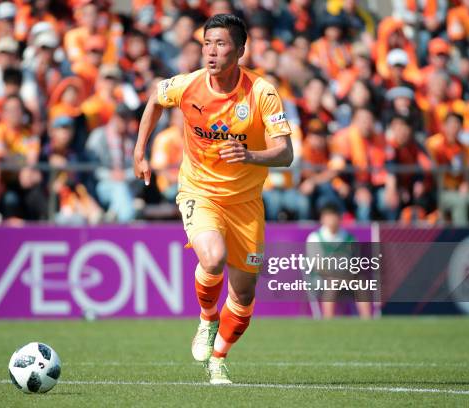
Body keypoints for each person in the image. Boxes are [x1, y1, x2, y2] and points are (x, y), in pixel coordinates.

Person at [134, 14, 293, 384]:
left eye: (221, 44)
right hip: (199, 191)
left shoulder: (262, 93)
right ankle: (207, 318)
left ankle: (218, 359)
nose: (211, 51)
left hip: (246, 202)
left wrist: (250, 155)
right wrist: (139, 152)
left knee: (244, 295)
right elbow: (156, 98)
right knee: (213, 256)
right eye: (207, 43)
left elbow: (285, 152)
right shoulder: (188, 85)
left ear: (239, 50)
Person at [306, 201, 373, 319]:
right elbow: (317, 266)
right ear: (322, 218)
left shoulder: (349, 238)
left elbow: (355, 264)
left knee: (361, 283)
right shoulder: (315, 238)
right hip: (321, 279)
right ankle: (328, 321)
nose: (331, 219)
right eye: (328, 216)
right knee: (332, 283)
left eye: (334, 216)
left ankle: (367, 321)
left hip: (346, 277)